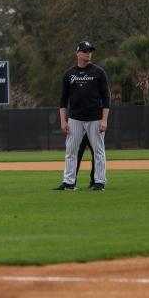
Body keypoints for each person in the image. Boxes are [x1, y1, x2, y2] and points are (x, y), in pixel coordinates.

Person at [55, 41, 110, 191]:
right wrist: (63, 120)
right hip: (75, 118)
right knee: (71, 150)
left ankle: (99, 182)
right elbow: (63, 100)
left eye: (90, 51)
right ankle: (69, 182)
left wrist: (104, 120)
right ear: (77, 53)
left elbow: (106, 99)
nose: (88, 53)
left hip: (95, 118)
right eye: (85, 51)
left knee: (98, 151)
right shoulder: (69, 74)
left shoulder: (98, 73)